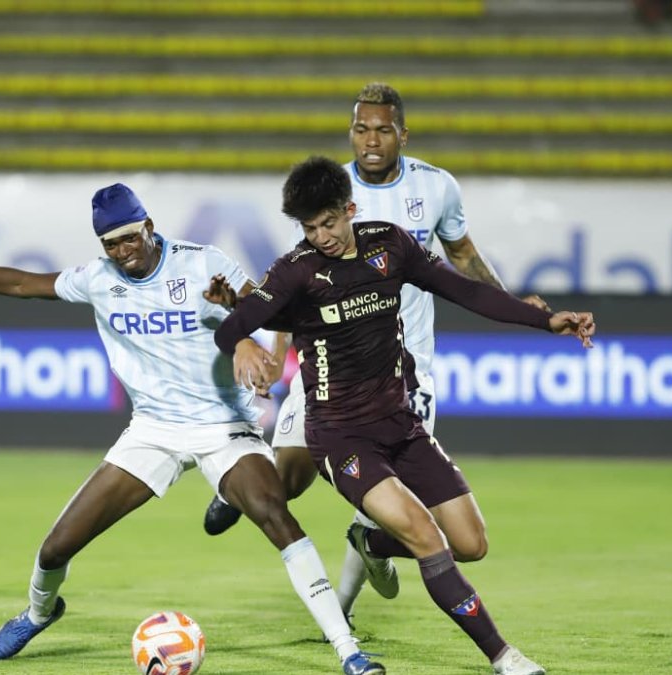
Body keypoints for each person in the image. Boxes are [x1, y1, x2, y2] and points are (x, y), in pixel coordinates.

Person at [0, 183, 384, 674]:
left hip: (223, 427)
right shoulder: (98, 278)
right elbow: (20, 283)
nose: (122, 251)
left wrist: (248, 334)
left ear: (149, 226)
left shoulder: (200, 261)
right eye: (111, 243)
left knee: (277, 516)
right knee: (56, 547)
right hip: (152, 431)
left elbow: (264, 306)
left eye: (129, 238)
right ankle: (38, 613)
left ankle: (346, 650)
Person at [215, 156, 596, 675]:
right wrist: (240, 344)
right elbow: (234, 323)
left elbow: (464, 289)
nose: (321, 236)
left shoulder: (389, 245)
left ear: (349, 209)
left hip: (400, 424)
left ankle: (370, 540)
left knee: (471, 543)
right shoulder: (296, 270)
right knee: (428, 537)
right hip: (341, 437)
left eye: (328, 222)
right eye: (309, 228)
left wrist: (544, 319)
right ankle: (503, 656)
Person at [203, 82, 548, 620]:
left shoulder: (437, 189)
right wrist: (272, 354)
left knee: (389, 505)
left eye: (382, 129)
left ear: (402, 135)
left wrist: (515, 308)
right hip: (327, 369)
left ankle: (341, 607)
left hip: (405, 372)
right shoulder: (326, 194)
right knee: (288, 480)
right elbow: (297, 288)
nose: (371, 140)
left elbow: (463, 260)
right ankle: (239, 483)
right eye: (361, 129)